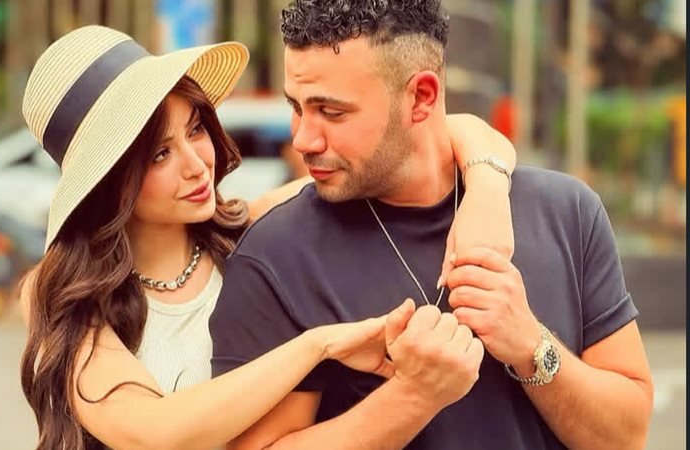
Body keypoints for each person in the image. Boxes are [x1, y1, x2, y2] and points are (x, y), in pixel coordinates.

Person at [18, 25, 518, 450]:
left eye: (195, 130)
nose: (197, 165)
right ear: (107, 182)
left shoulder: (248, 234)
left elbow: (431, 133)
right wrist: (318, 345)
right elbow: (156, 433)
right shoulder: (61, 295)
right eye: (160, 155)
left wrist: (488, 191)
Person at [210, 2, 654, 449]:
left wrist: (532, 347)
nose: (303, 139)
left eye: (331, 111)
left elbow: (627, 437)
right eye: (297, 106)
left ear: (422, 97)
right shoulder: (274, 254)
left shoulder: (566, 210)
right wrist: (412, 397)